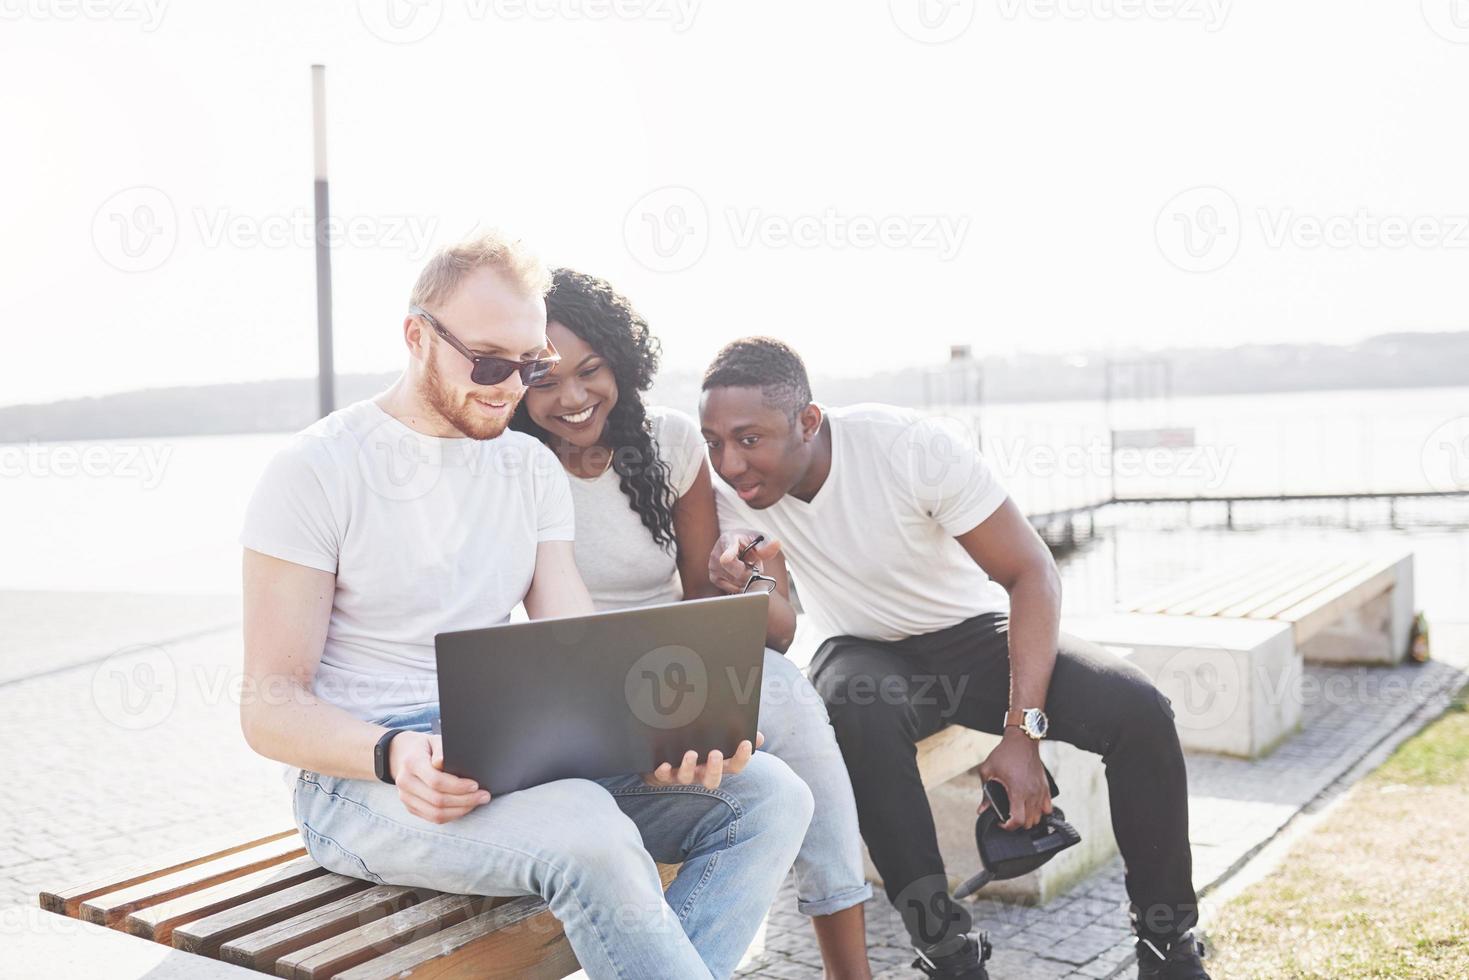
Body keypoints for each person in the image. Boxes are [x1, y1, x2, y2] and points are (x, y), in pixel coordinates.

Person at [237, 236, 813, 980]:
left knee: (769, 797)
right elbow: (269, 706)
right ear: (416, 336)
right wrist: (395, 752)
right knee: (591, 837)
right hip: (361, 780)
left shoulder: (527, 468)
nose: (511, 389)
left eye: (528, 364)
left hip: (508, 750)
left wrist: (659, 738)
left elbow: (575, 645)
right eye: (488, 363)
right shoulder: (315, 470)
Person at [698, 337, 1210, 980]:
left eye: (749, 439)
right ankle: (946, 950)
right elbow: (780, 633)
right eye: (713, 442)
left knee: (1139, 709)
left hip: (970, 637)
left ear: (808, 421)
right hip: (864, 651)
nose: (730, 463)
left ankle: (1168, 943)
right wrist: (747, 583)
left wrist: (1023, 736)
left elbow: (1032, 573)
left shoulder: (909, 449)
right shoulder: (732, 493)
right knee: (854, 707)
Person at [511, 269, 875, 979]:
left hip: (670, 668)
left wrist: (745, 589)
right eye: (547, 381)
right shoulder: (514, 464)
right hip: (570, 693)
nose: (574, 398)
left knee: (789, 697)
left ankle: (847, 961)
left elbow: (705, 601)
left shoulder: (670, 441)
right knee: (766, 779)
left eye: (591, 370)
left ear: (622, 360)